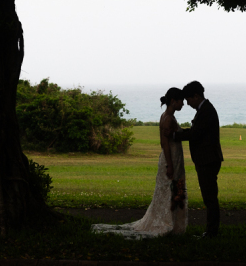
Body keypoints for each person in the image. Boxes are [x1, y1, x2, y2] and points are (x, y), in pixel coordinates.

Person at [91, 87, 188, 239]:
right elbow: (165, 144)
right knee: (171, 190)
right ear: (173, 101)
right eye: (181, 100)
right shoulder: (168, 118)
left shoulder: (166, 116)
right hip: (171, 159)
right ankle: (167, 222)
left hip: (173, 158)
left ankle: (171, 221)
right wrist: (169, 164)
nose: (183, 103)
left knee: (171, 190)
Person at [173, 81, 223, 238]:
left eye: (188, 99)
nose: (187, 103)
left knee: (210, 197)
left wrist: (175, 135)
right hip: (206, 159)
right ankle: (211, 230)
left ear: (196, 96)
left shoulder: (206, 111)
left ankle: (211, 232)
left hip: (207, 160)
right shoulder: (205, 109)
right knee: (209, 196)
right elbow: (196, 131)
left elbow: (195, 134)